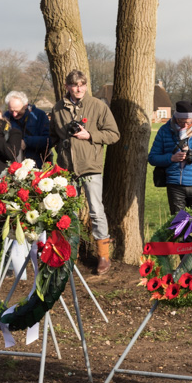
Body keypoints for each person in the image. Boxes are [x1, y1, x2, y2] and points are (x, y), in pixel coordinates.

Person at [50, 70, 119, 275]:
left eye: (82, 84)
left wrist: (90, 135)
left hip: (91, 167)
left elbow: (114, 134)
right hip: (66, 168)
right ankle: (69, 253)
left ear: (86, 86)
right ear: (67, 87)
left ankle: (103, 256)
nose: (78, 88)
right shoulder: (58, 109)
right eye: (74, 85)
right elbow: (52, 135)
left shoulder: (98, 106)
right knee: (67, 213)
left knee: (96, 211)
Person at [148, 100, 192, 215]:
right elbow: (152, 158)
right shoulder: (164, 130)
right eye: (181, 122)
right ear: (176, 118)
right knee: (180, 225)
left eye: (188, 122)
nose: (185, 126)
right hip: (174, 186)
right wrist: (171, 158)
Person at [4, 90, 51, 167]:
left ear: (25, 105)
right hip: (13, 164)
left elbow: (49, 140)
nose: (14, 115)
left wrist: (27, 142)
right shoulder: (6, 117)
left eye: (17, 111)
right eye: (11, 111)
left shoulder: (39, 116)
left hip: (37, 163)